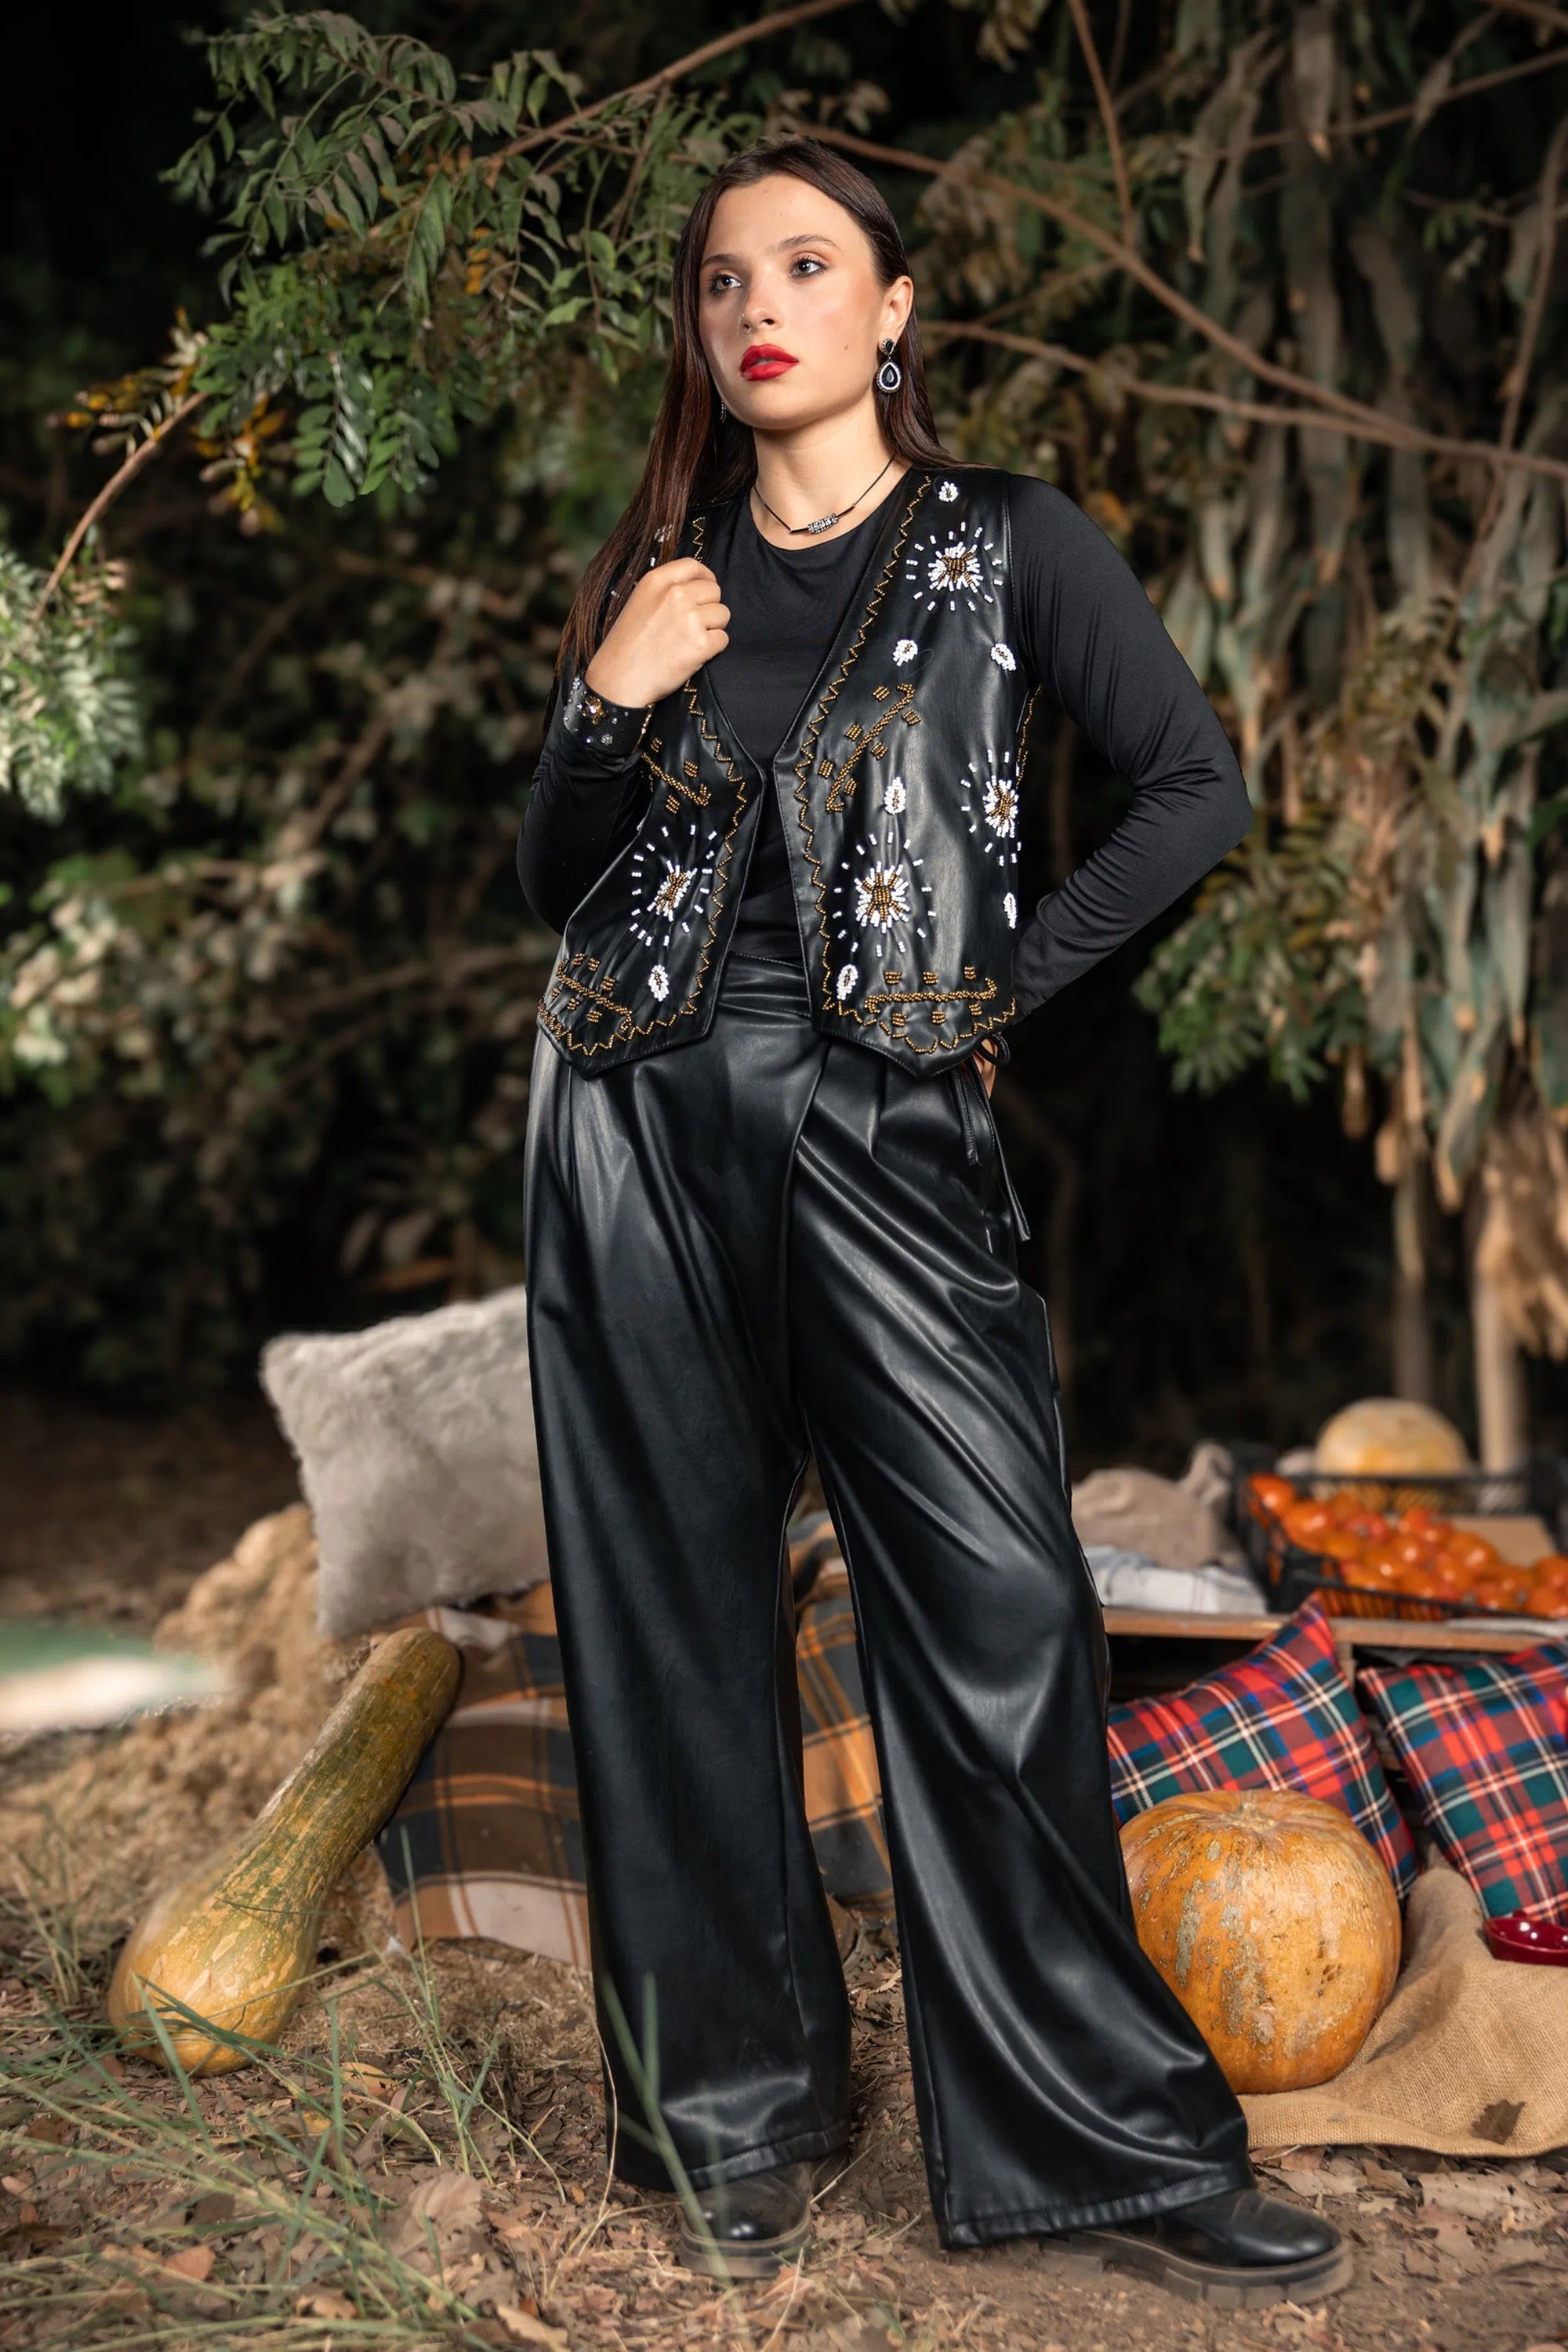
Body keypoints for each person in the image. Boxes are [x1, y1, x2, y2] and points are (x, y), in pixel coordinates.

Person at [516, 135, 1347, 2308]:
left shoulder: (1007, 545)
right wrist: (604, 705)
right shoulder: (661, 570)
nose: (756, 306)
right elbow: (555, 879)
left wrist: (1001, 992)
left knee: (1001, 1617)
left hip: (892, 1125)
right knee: (674, 1624)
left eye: (806, 266)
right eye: (722, 281)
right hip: (636, 1121)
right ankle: (732, 2117)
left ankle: (1107, 2143)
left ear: (894, 312)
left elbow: (1195, 789)